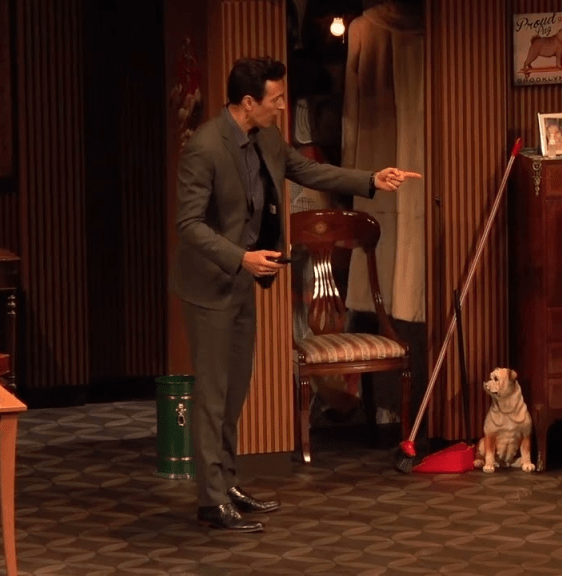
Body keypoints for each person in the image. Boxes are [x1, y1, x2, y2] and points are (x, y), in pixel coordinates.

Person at [170, 56, 421, 532]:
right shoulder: (205, 147)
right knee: (213, 395)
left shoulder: (266, 138)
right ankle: (210, 499)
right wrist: (240, 257)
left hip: (243, 281)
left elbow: (309, 172)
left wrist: (371, 180)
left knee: (235, 391)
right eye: (277, 99)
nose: (283, 106)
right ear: (248, 102)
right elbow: (189, 224)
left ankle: (227, 483)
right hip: (210, 285)